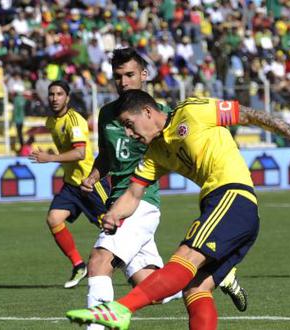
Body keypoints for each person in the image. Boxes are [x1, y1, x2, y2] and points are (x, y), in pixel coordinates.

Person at [66, 89, 290, 329]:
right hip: (226, 208)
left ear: (147, 112)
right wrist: (114, 214)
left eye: (129, 125)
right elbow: (133, 193)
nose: (129, 134)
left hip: (232, 196)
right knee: (195, 288)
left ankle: (120, 309)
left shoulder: (192, 111)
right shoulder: (156, 152)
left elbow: (249, 114)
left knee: (186, 257)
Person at [79, 48, 247, 330]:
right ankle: (220, 274)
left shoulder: (161, 116)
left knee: (99, 261)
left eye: (130, 74)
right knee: (154, 288)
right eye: (117, 76)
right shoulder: (107, 114)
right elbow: (107, 155)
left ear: (144, 75)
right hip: (118, 203)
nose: (123, 81)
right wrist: (94, 175)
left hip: (140, 203)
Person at [29, 80, 110, 289]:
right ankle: (78, 265)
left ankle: (143, 266)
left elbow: (80, 153)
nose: (55, 98)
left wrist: (50, 158)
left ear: (68, 97)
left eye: (59, 94)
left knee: (112, 227)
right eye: (51, 94)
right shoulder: (51, 121)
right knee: (54, 218)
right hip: (71, 185)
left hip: (90, 182)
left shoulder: (75, 121)